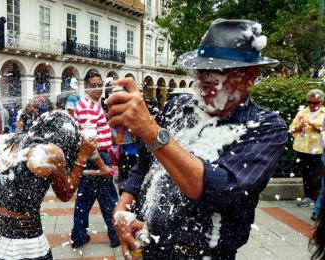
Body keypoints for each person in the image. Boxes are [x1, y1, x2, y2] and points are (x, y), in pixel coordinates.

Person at [107, 19, 288, 259]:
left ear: (250, 76)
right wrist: (123, 207)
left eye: (217, 77)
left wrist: (150, 129)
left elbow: (209, 189)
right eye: (200, 74)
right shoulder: (178, 108)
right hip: (150, 246)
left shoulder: (265, 127)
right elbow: (145, 165)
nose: (204, 86)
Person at [0, 111, 97, 259]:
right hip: (26, 244)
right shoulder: (50, 152)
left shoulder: (7, 140)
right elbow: (66, 193)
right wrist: (82, 157)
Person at [70, 69, 120, 249]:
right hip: (97, 157)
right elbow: (90, 143)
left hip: (92, 157)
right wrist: (103, 167)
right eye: (93, 86)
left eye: (100, 85)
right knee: (110, 200)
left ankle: (78, 236)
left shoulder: (90, 103)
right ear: (85, 87)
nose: (98, 89)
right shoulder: (88, 107)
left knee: (84, 200)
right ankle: (116, 237)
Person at [290, 89, 325, 207]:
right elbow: (291, 128)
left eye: (315, 103)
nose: (311, 105)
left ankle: (316, 200)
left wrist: (317, 127)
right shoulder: (302, 112)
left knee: (316, 174)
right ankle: (308, 197)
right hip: (301, 148)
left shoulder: (324, 113)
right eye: (309, 102)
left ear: (321, 102)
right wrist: (298, 128)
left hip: (317, 149)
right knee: (306, 174)